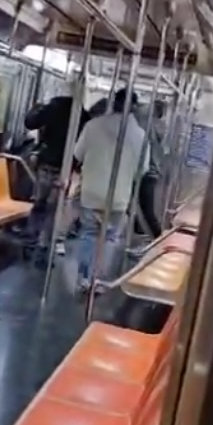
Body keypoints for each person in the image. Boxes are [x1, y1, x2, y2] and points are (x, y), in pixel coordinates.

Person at [73, 88, 147, 293]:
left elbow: (77, 154)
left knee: (88, 234)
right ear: (133, 108)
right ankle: (98, 279)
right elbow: (144, 169)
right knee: (109, 238)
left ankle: (84, 277)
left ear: (114, 102)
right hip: (119, 196)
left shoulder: (92, 125)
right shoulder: (140, 135)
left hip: (92, 191)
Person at [23, 95, 89, 265]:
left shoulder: (53, 107)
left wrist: (35, 108)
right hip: (65, 169)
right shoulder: (82, 115)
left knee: (39, 206)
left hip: (46, 164)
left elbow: (30, 122)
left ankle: (30, 244)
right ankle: (44, 251)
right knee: (54, 211)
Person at [134, 99, 164, 240]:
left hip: (146, 171)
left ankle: (158, 238)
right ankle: (138, 227)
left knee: (147, 209)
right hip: (151, 171)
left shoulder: (148, 126)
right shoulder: (158, 126)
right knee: (134, 203)